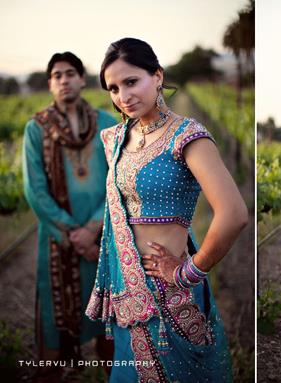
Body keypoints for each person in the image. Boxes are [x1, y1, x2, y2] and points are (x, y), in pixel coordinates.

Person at [85, 37, 248, 382]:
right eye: (113, 88)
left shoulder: (188, 136)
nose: (123, 96)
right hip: (126, 290)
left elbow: (234, 213)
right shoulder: (114, 140)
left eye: (132, 81)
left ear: (157, 76)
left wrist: (188, 271)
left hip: (170, 291)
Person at [22, 52, 116, 378]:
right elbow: (34, 190)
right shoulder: (36, 129)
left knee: (110, 328)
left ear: (82, 79)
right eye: (57, 75)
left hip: (104, 240)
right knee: (56, 334)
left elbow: (118, 182)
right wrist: (73, 235)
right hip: (58, 242)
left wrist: (92, 229)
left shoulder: (107, 124)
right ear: (50, 84)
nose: (64, 80)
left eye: (70, 73)